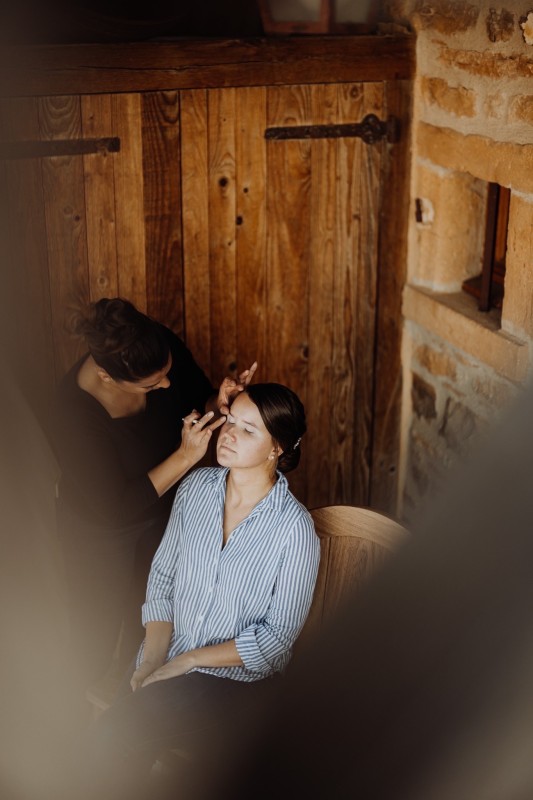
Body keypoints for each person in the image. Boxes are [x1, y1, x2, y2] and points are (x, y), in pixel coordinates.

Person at [76, 381, 320, 800]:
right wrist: (154, 656)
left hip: (237, 684)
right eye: (230, 421)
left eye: (249, 430)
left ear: (277, 448)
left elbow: (275, 641)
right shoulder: (196, 489)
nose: (229, 434)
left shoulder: (294, 530)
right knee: (116, 743)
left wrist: (186, 662)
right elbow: (163, 579)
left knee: (117, 737)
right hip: (169, 653)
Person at [52, 296, 256, 696]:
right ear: (108, 377)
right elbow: (114, 507)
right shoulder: (71, 412)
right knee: (94, 637)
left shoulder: (159, 345)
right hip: (98, 532)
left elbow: (197, 399)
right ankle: (75, 722)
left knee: (150, 622)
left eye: (165, 374)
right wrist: (185, 457)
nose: (164, 385)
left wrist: (220, 400)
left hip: (162, 516)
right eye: (151, 384)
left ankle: (134, 712)